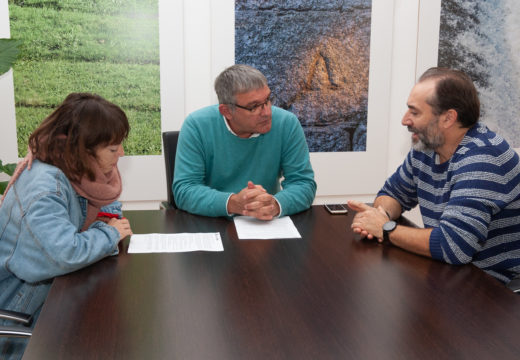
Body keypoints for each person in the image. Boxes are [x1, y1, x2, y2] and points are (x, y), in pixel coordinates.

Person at [348, 67, 520, 284]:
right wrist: (379, 216)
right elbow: (392, 193)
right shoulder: (427, 148)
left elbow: (454, 246)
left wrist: (385, 228)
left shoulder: (484, 159)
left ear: (448, 118)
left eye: (415, 112)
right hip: (450, 277)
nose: (404, 120)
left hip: (493, 293)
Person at [0, 93, 133, 359]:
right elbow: (65, 253)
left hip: (52, 291)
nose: (121, 153)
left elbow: (106, 210)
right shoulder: (45, 188)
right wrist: (108, 233)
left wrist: (105, 224)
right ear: (83, 149)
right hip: (24, 305)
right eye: (112, 148)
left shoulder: (74, 169)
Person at [173, 64, 316, 220]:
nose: (267, 112)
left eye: (268, 100)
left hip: (266, 224)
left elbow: (303, 183)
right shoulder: (197, 125)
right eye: (254, 107)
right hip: (212, 222)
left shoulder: (286, 123)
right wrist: (234, 203)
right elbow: (185, 190)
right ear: (227, 111)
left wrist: (274, 204)